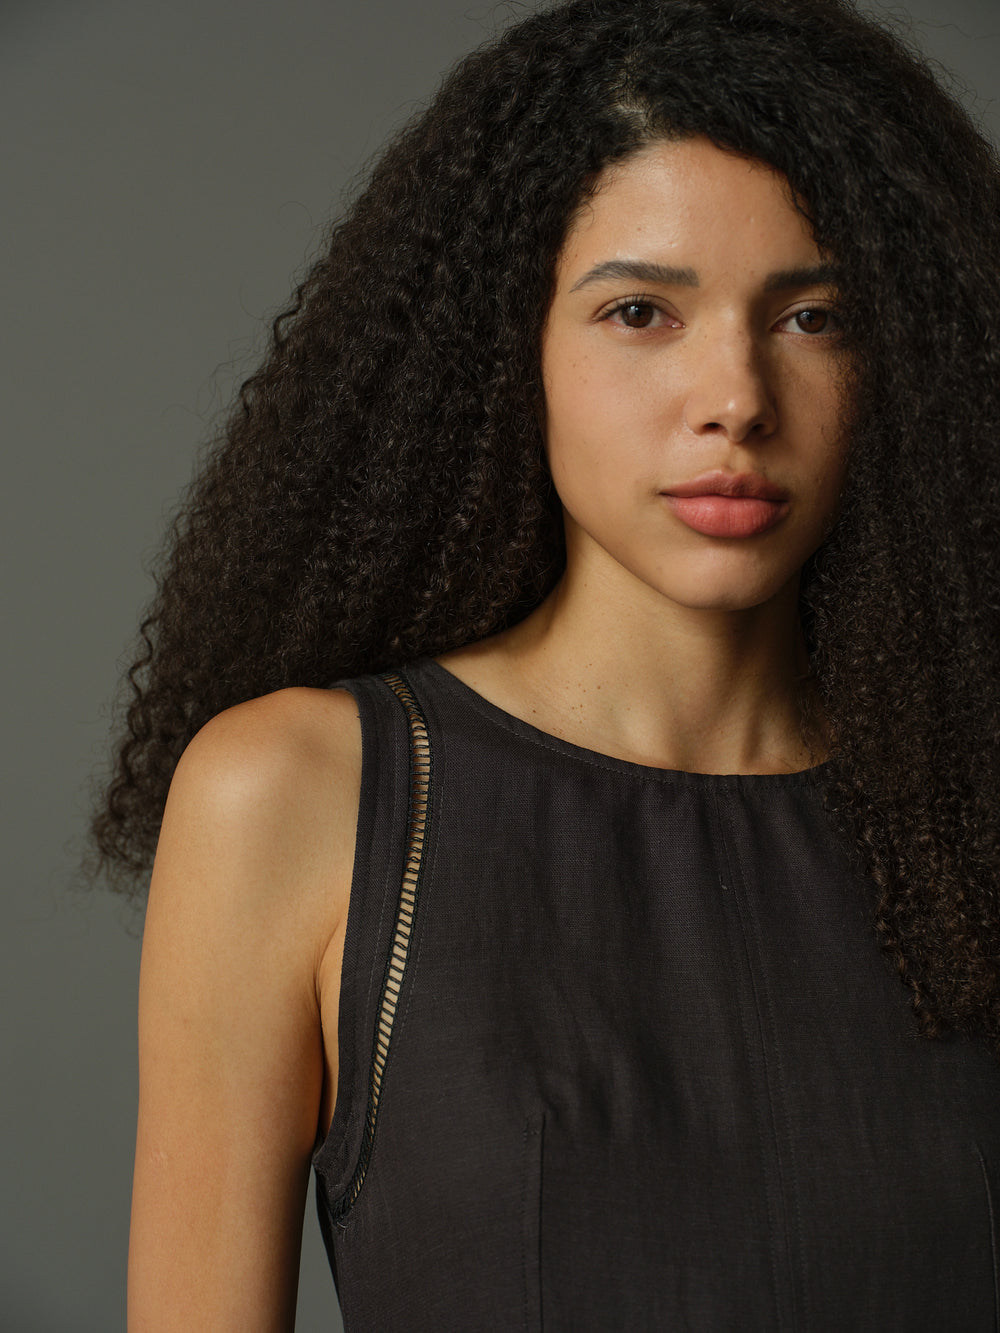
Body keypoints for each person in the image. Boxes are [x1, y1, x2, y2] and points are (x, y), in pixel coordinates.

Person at [94, 0, 1000, 1327]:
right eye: (641, 311)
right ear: (507, 349)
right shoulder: (298, 799)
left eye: (815, 318)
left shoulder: (972, 815)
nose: (735, 394)